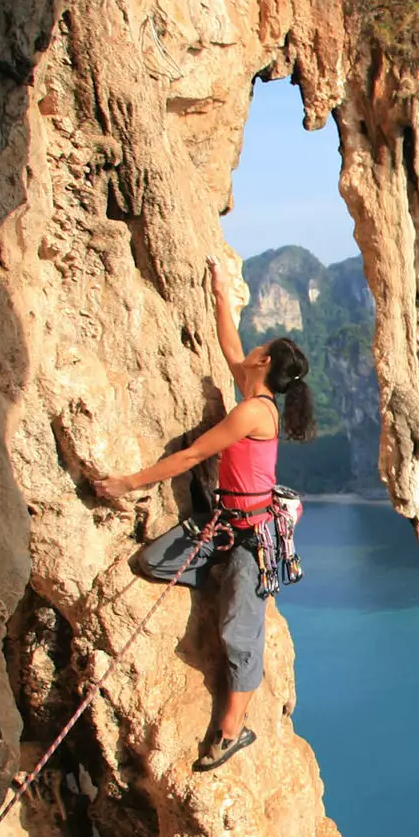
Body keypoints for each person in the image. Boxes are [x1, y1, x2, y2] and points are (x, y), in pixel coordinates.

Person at [94, 256, 315, 770]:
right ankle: (223, 577)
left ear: (265, 364)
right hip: (226, 525)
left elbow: (193, 456)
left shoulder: (254, 413)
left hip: (254, 537)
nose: (252, 349)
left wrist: (127, 482)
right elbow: (230, 344)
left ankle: (231, 731)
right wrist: (218, 291)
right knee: (153, 562)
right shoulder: (251, 389)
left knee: (237, 631)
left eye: (260, 350)